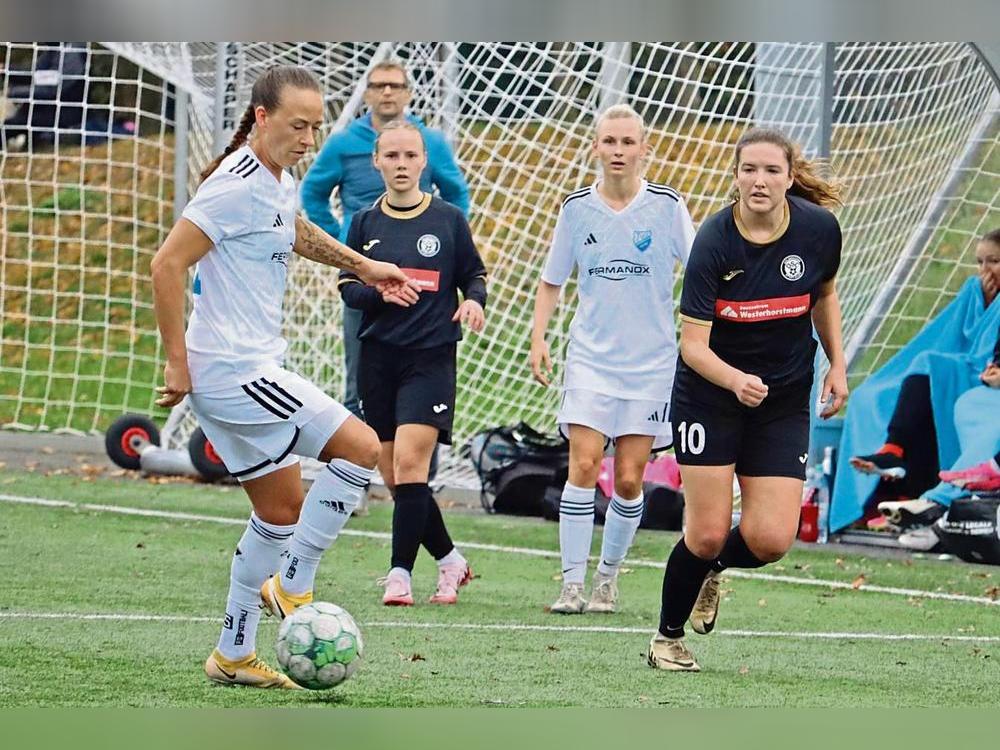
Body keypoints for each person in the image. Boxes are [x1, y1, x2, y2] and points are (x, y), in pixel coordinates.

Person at [150, 66, 415, 689]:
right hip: (232, 370)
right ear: (263, 118)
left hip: (245, 368)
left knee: (280, 511)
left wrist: (363, 264)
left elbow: (293, 229)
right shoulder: (232, 185)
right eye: (297, 125)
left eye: (315, 128)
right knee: (360, 447)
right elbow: (167, 264)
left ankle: (233, 652)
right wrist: (176, 362)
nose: (306, 138)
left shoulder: (276, 182)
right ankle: (293, 586)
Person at [647, 127, 847, 672]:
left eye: (771, 171)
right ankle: (666, 637)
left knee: (770, 538)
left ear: (788, 177)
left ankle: (713, 569)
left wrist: (838, 367)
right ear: (735, 176)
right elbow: (693, 347)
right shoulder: (713, 241)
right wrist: (735, 380)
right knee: (707, 532)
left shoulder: (818, 229)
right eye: (749, 170)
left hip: (781, 398)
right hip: (711, 396)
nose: (759, 181)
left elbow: (823, 296)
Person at [529, 104, 694, 615]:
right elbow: (552, 280)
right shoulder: (576, 209)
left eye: (628, 142)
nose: (618, 151)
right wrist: (539, 339)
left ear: (645, 149)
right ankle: (572, 584)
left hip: (650, 364)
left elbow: (701, 271)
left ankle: (607, 578)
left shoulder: (667, 207)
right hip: (591, 360)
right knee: (582, 464)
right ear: (595, 147)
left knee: (627, 479)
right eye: (610, 142)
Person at [338, 120, 487, 607]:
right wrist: (380, 293)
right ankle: (450, 561)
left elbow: (473, 275)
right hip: (378, 359)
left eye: (410, 156)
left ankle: (399, 574)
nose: (401, 165)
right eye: (392, 156)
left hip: (431, 359)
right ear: (376, 162)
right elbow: (348, 288)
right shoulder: (363, 223)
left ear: (424, 162)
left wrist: (474, 302)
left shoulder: (447, 219)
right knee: (393, 476)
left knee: (409, 466)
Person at [301, 60, 470, 422]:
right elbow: (313, 192)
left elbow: (457, 193)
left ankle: (420, 465)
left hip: (418, 279)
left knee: (423, 375)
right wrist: (339, 244)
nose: (387, 92)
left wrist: (446, 242)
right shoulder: (343, 143)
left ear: (408, 93)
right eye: (378, 85)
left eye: (395, 85)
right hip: (363, 277)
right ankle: (357, 472)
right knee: (358, 379)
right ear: (367, 94)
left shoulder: (431, 143)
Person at [834, 229, 1000, 543]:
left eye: (994, 261)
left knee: (931, 366)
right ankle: (894, 465)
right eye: (980, 261)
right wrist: (982, 301)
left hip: (979, 377)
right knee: (874, 394)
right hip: (970, 371)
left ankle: (923, 493)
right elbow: (951, 335)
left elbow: (984, 350)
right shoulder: (973, 290)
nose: (984, 270)